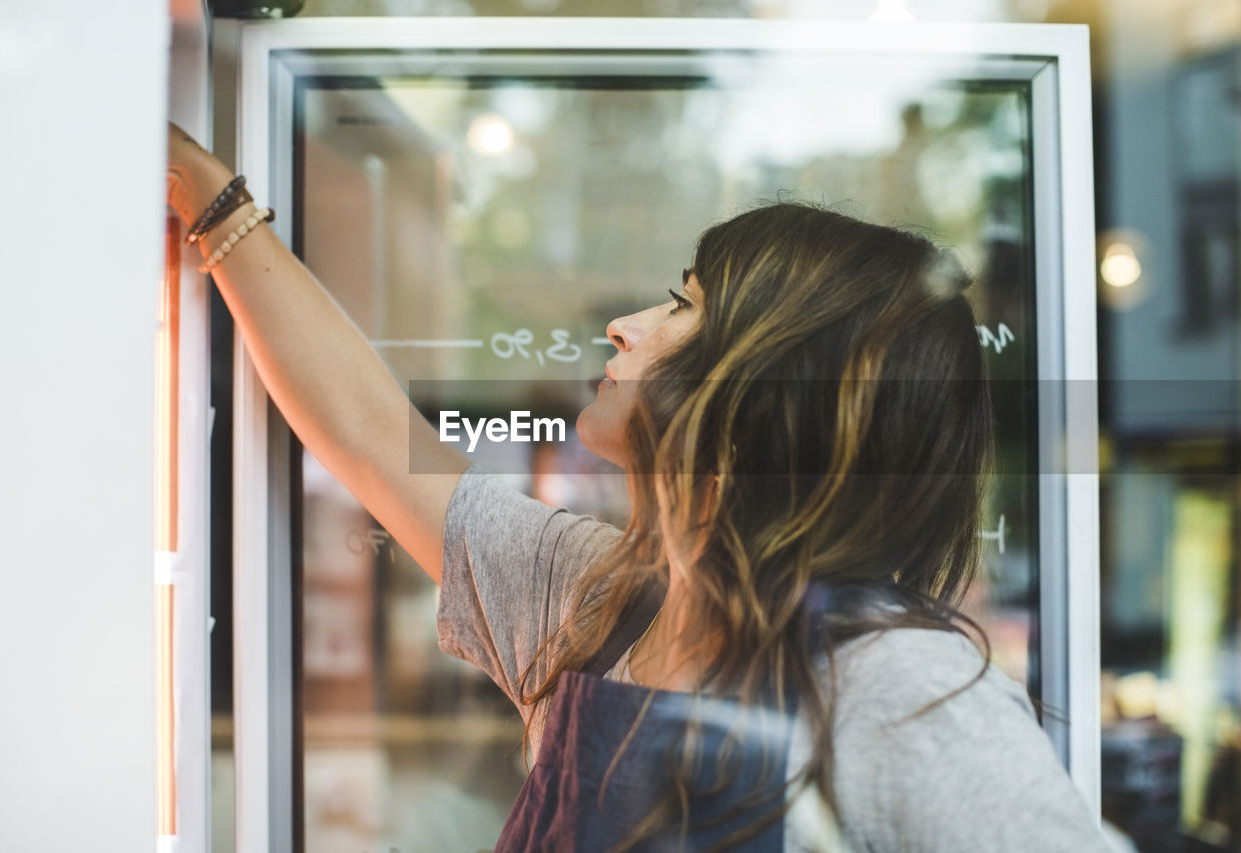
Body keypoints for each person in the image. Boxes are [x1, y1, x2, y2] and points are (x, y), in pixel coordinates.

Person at [167, 123, 1112, 852]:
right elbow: (373, 434)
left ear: (769, 383)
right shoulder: (598, 596)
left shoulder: (901, 683)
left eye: (682, 304)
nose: (626, 323)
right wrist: (211, 201)